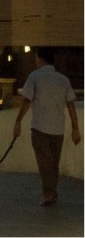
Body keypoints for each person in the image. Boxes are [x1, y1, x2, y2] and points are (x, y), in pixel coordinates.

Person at [12, 47, 81, 206]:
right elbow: (71, 105)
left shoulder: (34, 77)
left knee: (44, 163)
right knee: (53, 163)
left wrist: (18, 122)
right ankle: (51, 192)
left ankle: (49, 194)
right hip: (58, 128)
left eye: (36, 59)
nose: (35, 62)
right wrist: (75, 129)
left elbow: (27, 101)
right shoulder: (63, 80)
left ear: (41, 59)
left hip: (40, 127)